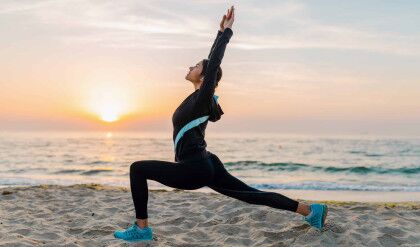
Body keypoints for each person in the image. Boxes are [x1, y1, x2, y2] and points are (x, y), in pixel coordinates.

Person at [114, 6, 327, 242]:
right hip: (207, 162)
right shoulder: (197, 98)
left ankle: (142, 229)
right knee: (251, 195)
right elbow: (210, 62)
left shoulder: (203, 97)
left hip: (194, 168)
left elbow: (213, 62)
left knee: (137, 168)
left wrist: (226, 33)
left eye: (195, 66)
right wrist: (218, 32)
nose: (189, 67)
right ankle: (310, 211)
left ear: (205, 78)